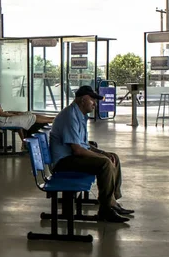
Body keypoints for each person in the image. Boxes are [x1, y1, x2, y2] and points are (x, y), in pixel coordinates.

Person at [49, 85, 134, 223]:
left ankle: (112, 200)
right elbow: (77, 149)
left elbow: (84, 144)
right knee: (105, 163)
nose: (95, 103)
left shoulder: (80, 115)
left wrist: (103, 153)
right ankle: (106, 210)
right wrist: (103, 157)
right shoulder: (70, 116)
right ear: (83, 99)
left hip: (72, 156)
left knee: (113, 157)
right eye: (92, 100)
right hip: (63, 162)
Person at [0, 76, 54, 143]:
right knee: (32, 117)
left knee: (28, 114)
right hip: (2, 121)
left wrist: (14, 113)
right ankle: (53, 120)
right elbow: (1, 113)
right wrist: (14, 114)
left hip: (0, 120)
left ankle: (52, 119)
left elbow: (0, 112)